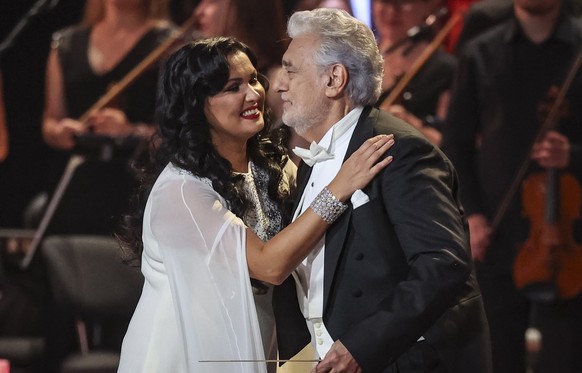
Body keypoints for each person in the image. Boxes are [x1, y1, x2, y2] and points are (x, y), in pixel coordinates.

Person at [116, 36, 393, 373]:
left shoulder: (269, 164)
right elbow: (270, 266)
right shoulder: (181, 192)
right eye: (233, 87)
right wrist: (340, 187)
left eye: (252, 79)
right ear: (196, 104)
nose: (254, 94)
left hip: (254, 347)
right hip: (183, 356)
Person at [271, 8, 491, 373]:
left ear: (334, 79)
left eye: (291, 69)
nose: (279, 84)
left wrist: (361, 346)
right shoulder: (310, 161)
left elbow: (443, 265)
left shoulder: (398, 151)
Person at [441, 0, 582, 371]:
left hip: (573, 236)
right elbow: (455, 141)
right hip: (497, 227)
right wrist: (472, 214)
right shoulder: (480, 51)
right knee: (499, 355)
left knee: (565, 359)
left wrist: (575, 154)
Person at [38, 0, 175, 235]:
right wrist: (59, 132)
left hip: (140, 189)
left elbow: (185, 133)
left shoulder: (174, 44)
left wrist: (131, 131)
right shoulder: (66, 43)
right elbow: (50, 121)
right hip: (75, 188)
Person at [373, 0, 457, 146]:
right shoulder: (358, 58)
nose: (392, 11)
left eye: (403, 2)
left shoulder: (444, 69)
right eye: (384, 1)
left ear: (426, 7)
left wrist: (411, 124)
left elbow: (451, 145)